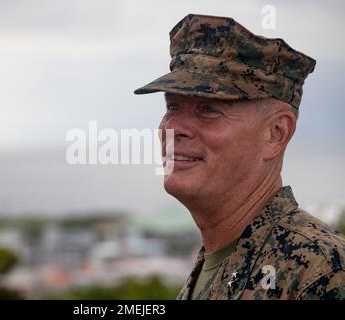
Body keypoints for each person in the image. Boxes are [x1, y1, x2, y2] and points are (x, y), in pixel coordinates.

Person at [134, 14, 345, 300]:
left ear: (276, 133)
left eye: (208, 110)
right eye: (172, 107)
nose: (173, 129)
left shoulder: (322, 271)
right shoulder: (215, 263)